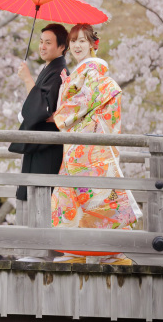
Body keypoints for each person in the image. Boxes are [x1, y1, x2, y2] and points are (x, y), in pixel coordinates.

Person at [50, 24, 142, 265]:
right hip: (76, 145)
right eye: (73, 41)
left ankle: (105, 252)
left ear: (93, 44)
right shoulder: (79, 72)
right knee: (78, 193)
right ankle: (80, 251)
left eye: (83, 40)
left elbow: (87, 99)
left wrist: (58, 116)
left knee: (93, 193)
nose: (77, 45)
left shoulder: (92, 71)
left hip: (86, 145)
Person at [8, 23, 68, 215]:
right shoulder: (49, 68)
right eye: (41, 42)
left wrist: (27, 79)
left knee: (40, 200)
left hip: (48, 145)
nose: (42, 46)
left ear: (61, 47)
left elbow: (43, 110)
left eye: (48, 43)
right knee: (31, 195)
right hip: (40, 144)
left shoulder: (59, 72)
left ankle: (40, 244)